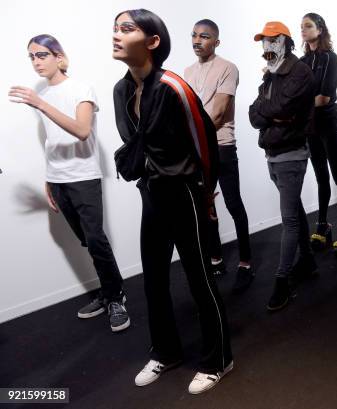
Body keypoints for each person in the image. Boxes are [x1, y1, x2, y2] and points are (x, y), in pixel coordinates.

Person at [111, 9, 232, 394]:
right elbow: (135, 143)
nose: (116, 34)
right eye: (115, 28)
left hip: (185, 193)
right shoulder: (121, 90)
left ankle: (219, 358)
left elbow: (205, 143)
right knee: (154, 279)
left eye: (126, 28)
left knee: (200, 279)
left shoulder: (174, 87)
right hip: (151, 192)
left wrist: (206, 194)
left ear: (152, 41)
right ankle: (166, 351)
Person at [9, 34, 129, 332]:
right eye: (32, 57)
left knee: (96, 239)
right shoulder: (43, 94)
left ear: (58, 57)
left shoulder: (80, 88)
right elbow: (51, 140)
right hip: (58, 180)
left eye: (41, 55)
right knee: (87, 241)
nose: (36, 62)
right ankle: (107, 290)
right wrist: (49, 180)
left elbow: (82, 130)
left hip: (83, 177)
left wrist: (39, 102)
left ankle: (116, 297)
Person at [249, 21, 317, 311]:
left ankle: (282, 279)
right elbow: (254, 114)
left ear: (286, 42)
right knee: (295, 210)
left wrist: (272, 113)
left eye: (273, 40)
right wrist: (271, 114)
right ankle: (309, 260)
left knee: (288, 218)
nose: (267, 46)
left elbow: (282, 108)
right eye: (263, 41)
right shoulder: (272, 74)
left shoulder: (299, 71)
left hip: (291, 153)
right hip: (272, 152)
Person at [184, 19, 254, 293]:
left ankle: (246, 260)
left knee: (234, 203)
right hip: (197, 148)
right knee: (205, 206)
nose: (197, 40)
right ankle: (216, 257)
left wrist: (189, 137)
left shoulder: (228, 68)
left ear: (216, 41)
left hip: (222, 145)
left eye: (204, 36)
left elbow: (219, 112)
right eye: (194, 35)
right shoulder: (187, 72)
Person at [300, 13, 337, 252]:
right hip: (311, 126)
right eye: (301, 26)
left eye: (308, 26)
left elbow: (324, 98)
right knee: (321, 177)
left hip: (329, 124)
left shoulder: (331, 58)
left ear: (320, 29)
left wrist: (298, 105)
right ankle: (323, 225)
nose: (303, 30)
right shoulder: (301, 61)